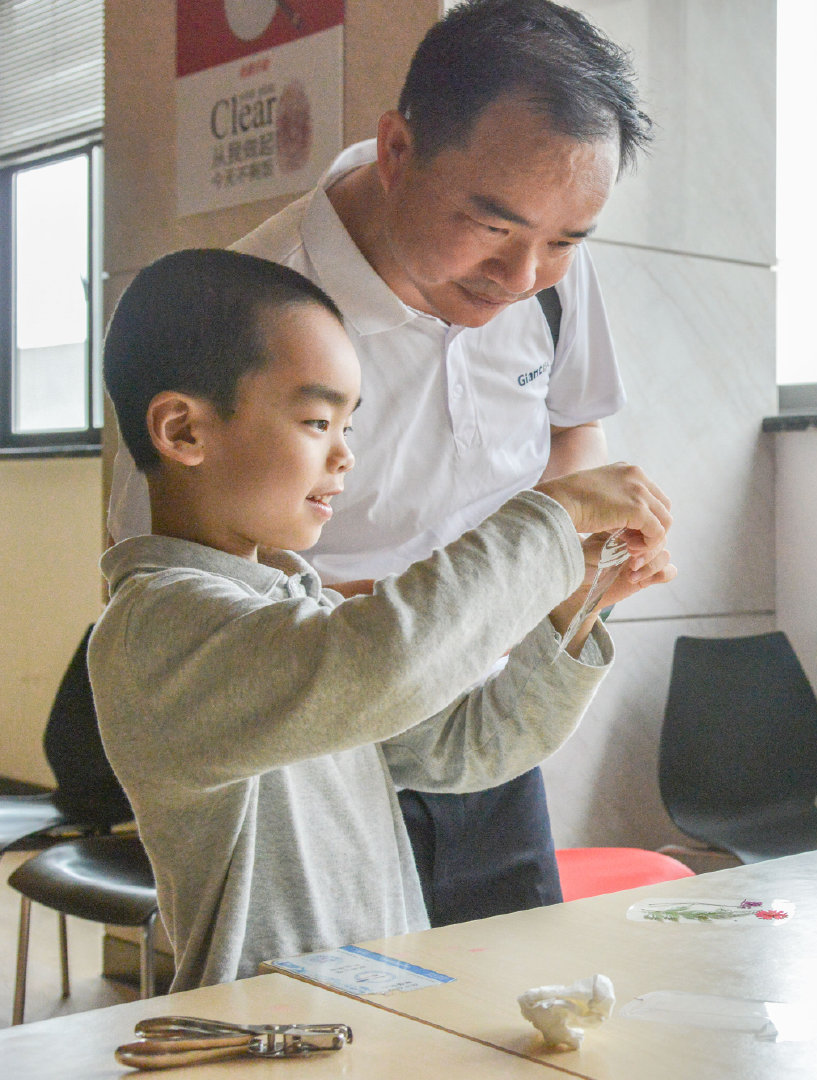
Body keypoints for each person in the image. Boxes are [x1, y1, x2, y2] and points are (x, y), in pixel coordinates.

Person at [107, 0, 654, 924]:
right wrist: (546, 531)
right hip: (319, 710)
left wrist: (567, 601)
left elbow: (468, 744)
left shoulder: (544, 274)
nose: (523, 276)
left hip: (453, 699)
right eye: (492, 227)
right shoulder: (254, 318)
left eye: (564, 242)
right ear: (398, 150)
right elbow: (318, 639)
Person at [90, 249, 672, 990]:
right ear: (183, 431)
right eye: (316, 421)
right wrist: (552, 516)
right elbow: (385, 665)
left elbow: (470, 749)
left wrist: (567, 611)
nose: (345, 457)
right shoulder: (156, 628)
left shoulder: (294, 614)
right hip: (266, 1033)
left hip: (374, 1017)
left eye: (348, 425)